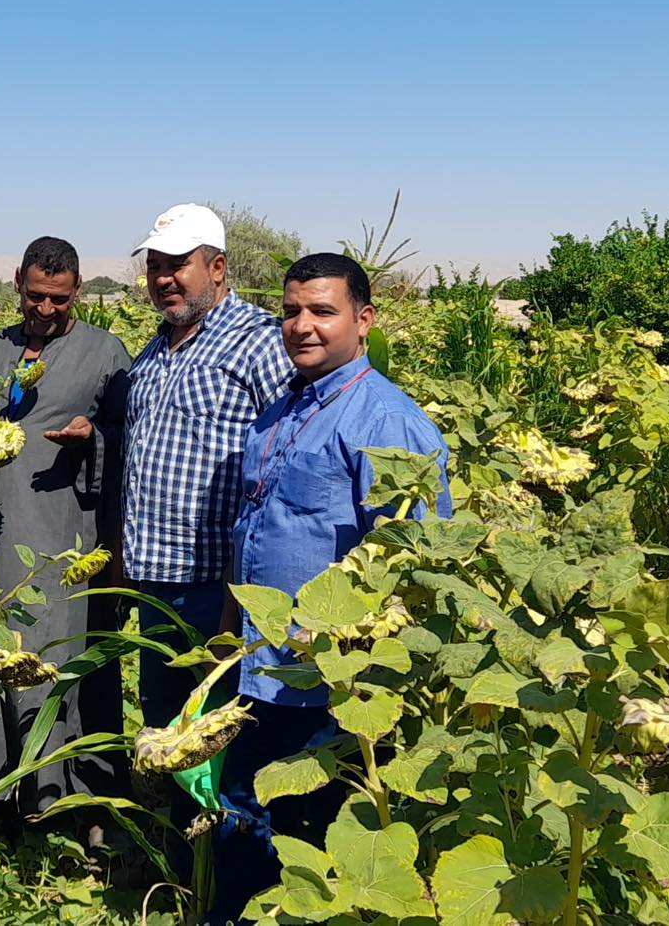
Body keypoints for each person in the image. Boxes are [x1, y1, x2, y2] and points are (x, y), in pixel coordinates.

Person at [216, 253, 453, 918]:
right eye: (291, 311)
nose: (302, 326)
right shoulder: (281, 409)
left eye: (323, 311)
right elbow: (256, 528)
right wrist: (229, 631)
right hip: (260, 662)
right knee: (246, 816)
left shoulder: (386, 422)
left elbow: (415, 559)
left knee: (315, 837)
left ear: (364, 320)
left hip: (330, 677)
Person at [0, 236, 131, 820]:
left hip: (64, 538)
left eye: (59, 299)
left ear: (77, 291)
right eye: (35, 296)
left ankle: (64, 805)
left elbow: (133, 441)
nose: (45, 309)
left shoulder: (105, 353)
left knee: (58, 661)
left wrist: (95, 438)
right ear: (18, 282)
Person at [120, 203, 292, 729]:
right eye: (154, 266)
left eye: (177, 265)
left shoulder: (259, 341)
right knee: (167, 727)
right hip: (155, 577)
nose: (162, 279)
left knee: (218, 729)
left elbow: (287, 459)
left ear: (217, 268)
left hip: (216, 585)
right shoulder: (156, 349)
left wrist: (240, 595)